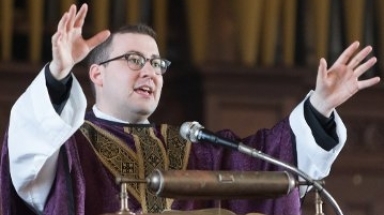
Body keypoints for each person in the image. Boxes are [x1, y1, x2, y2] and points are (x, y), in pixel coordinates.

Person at [0, 3, 380, 215]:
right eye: (134, 59)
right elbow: (26, 160)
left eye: (157, 63)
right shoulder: (69, 150)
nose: (150, 71)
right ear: (96, 73)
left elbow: (271, 164)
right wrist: (57, 75)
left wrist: (319, 107)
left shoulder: (191, 148)